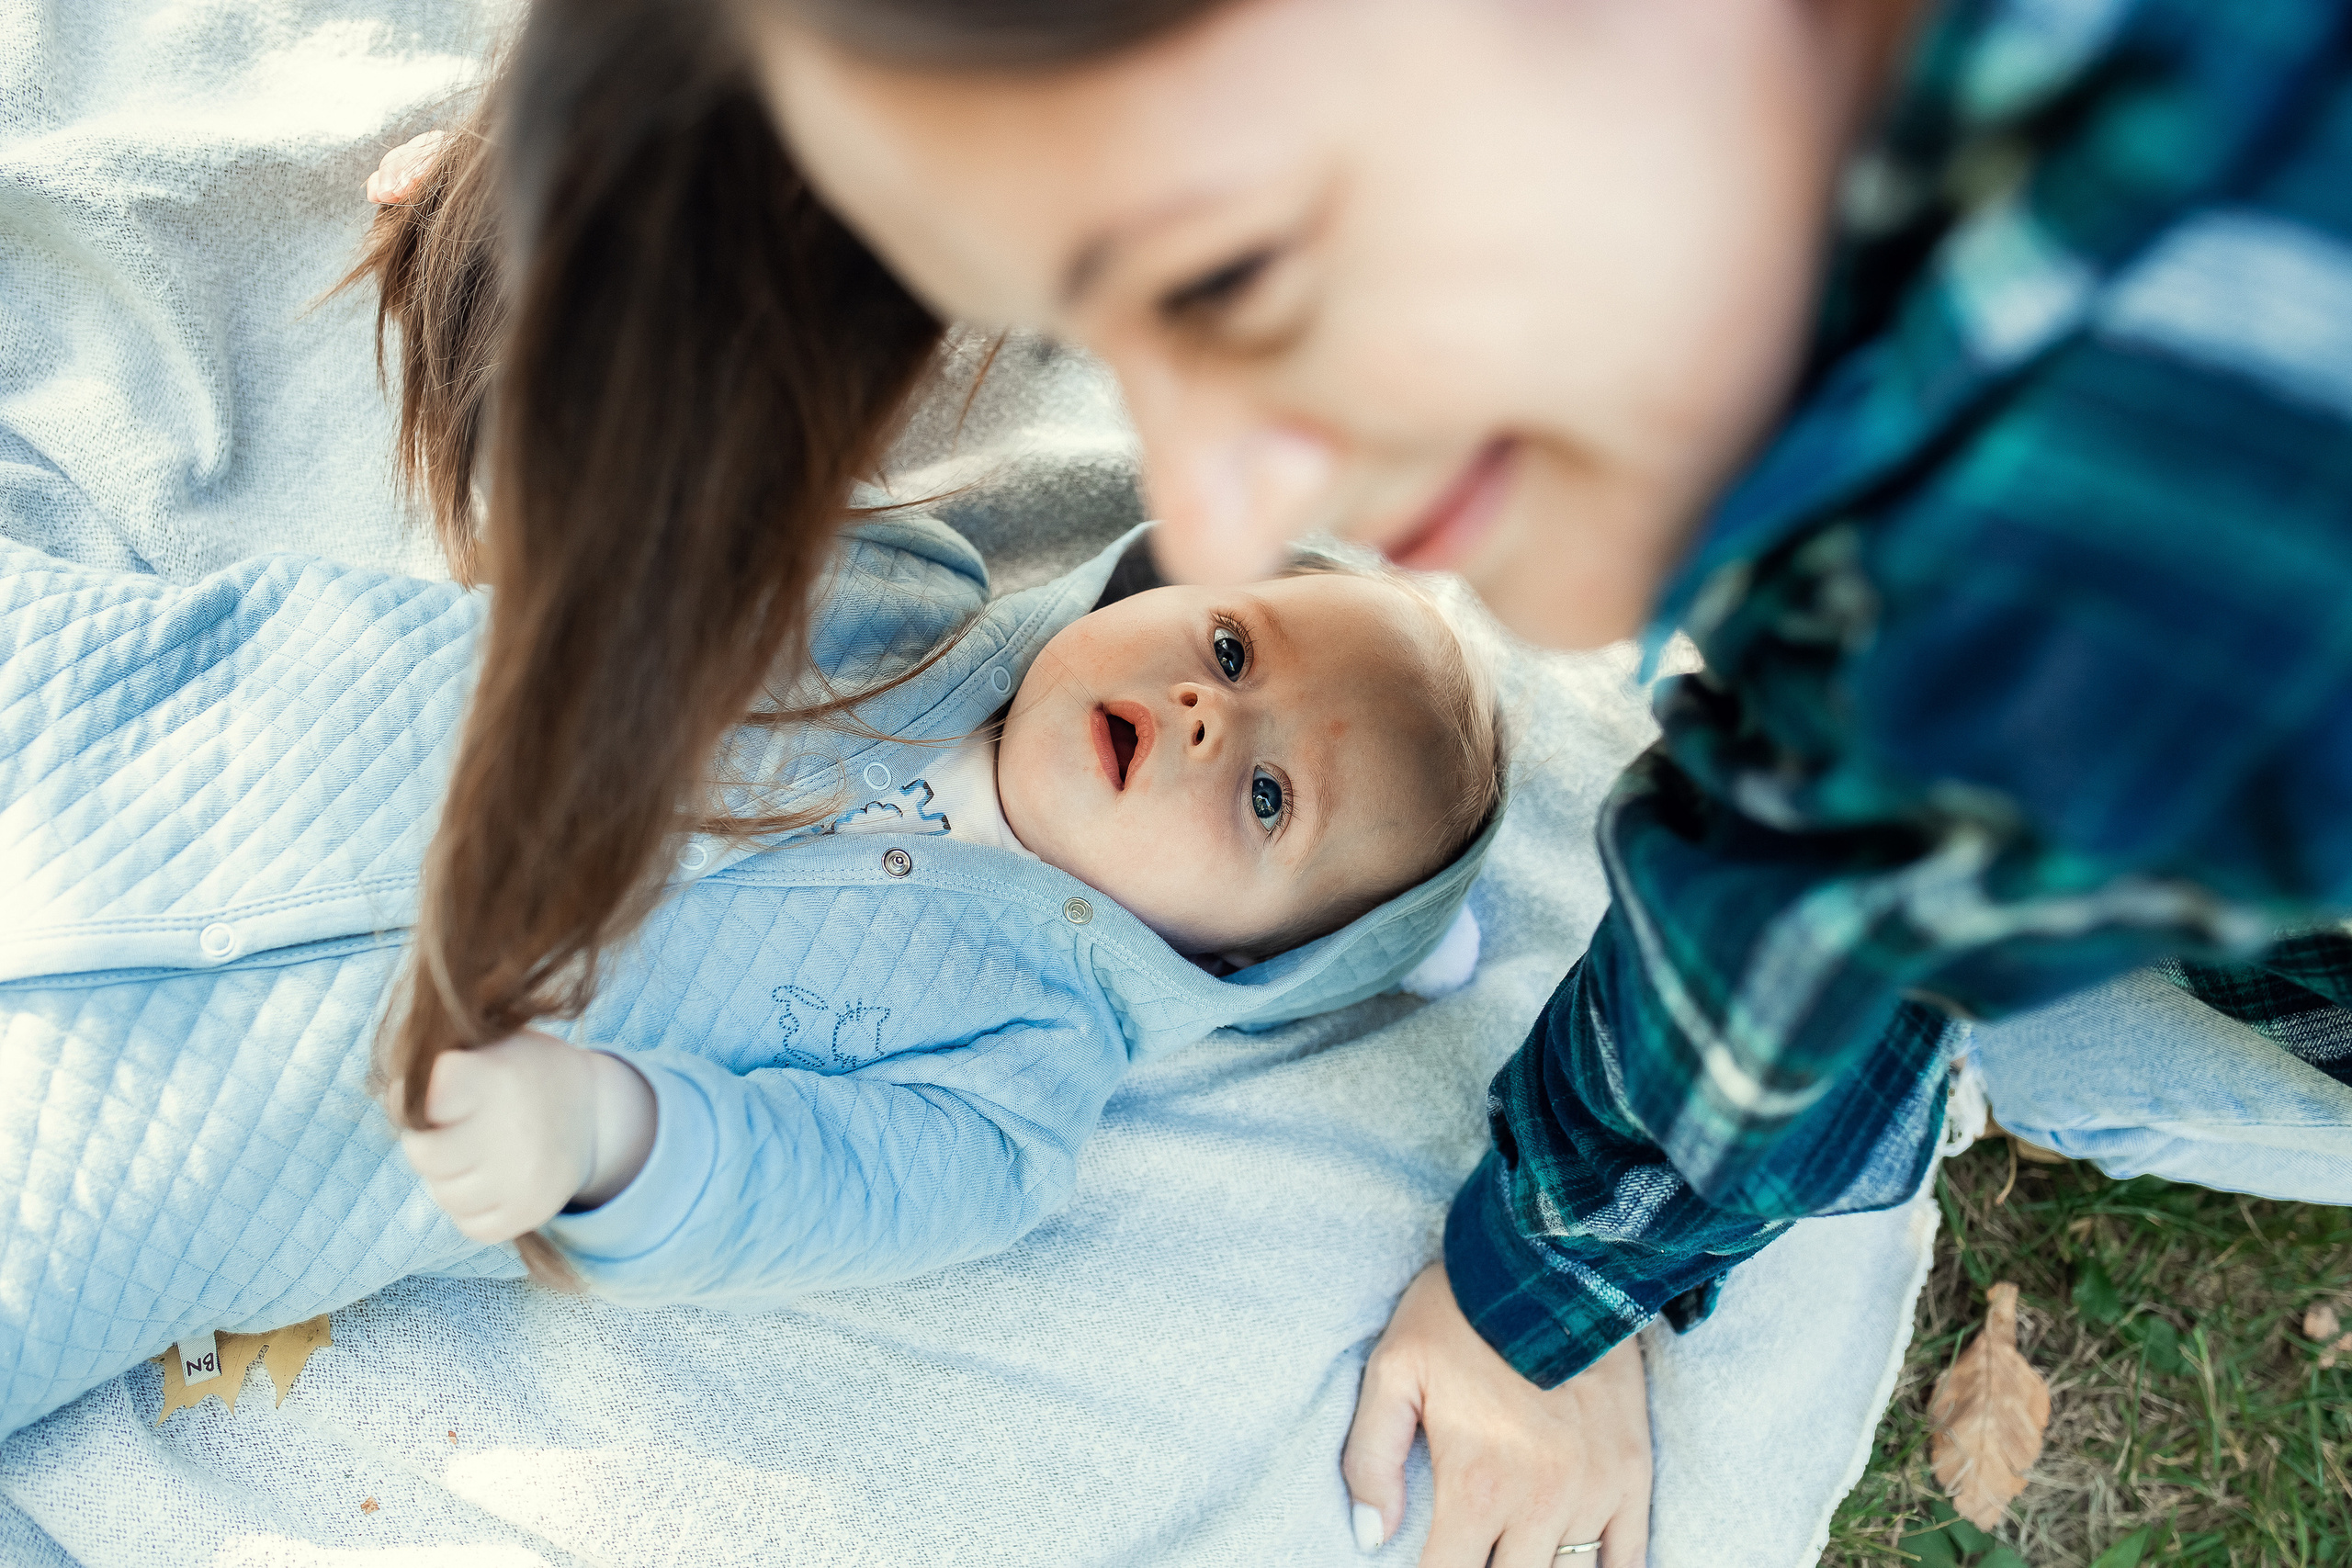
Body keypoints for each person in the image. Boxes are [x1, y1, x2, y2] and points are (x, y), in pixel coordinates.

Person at [363, 0, 2352, 1561]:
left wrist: (1536, 1294)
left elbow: (1825, 886)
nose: (1217, 508)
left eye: (1233, 274)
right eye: (1228, 627)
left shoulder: (2068, 491)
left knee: (2076, 1040)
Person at [0, 509, 1504, 1437]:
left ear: (1245, 958)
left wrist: (602, 1134)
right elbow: (637, 485)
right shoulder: (897, 601)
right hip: (180, 720)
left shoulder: (1013, 1093)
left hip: (207, 1132)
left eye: (1267, 799)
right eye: (1234, 650)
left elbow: (800, 1178)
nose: (1201, 715)